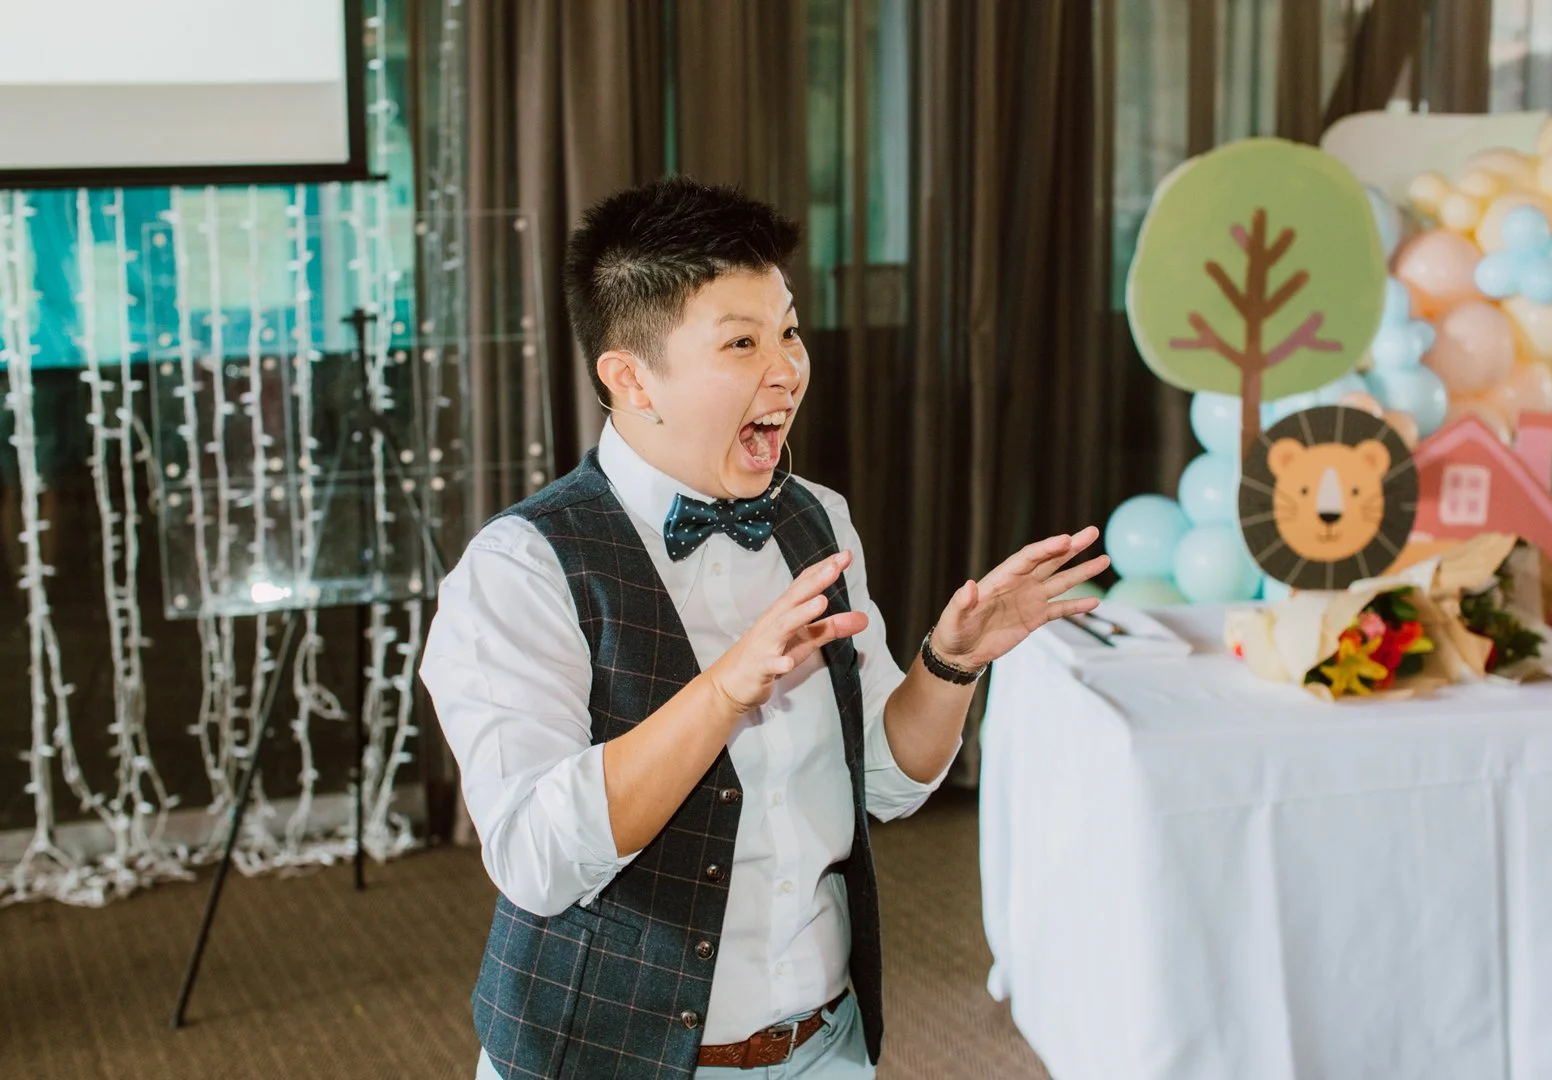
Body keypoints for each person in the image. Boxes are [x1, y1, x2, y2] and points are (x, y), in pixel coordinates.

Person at [420, 176, 1107, 1080]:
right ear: (631, 377)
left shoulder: (816, 520)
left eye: (786, 331)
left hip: (825, 1046)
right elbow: (537, 860)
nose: (786, 369)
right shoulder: (521, 569)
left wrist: (950, 663)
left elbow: (885, 785)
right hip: (607, 1059)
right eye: (741, 343)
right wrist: (721, 694)